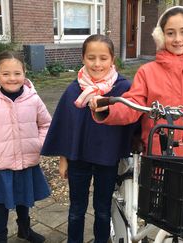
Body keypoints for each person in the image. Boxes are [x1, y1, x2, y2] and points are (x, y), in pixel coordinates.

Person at [90, 6, 183, 157]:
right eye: (170, 33)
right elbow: (133, 104)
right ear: (161, 36)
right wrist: (109, 109)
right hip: (156, 153)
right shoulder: (147, 72)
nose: (178, 39)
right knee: (154, 181)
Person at [40, 34, 138, 243]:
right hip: (78, 159)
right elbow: (65, 127)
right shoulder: (74, 89)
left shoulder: (122, 89)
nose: (97, 63)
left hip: (107, 159)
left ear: (112, 60)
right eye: (91, 57)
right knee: (76, 209)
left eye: (103, 58)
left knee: (102, 210)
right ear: (83, 58)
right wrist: (63, 158)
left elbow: (133, 119)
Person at [0, 51, 52, 243]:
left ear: (24, 73)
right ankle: (0, 237)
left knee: (24, 199)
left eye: (17, 73)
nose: (12, 78)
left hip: (28, 161)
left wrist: (38, 144)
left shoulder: (33, 99)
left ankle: (24, 230)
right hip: (4, 164)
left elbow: (47, 124)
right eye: (6, 74)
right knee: (3, 204)